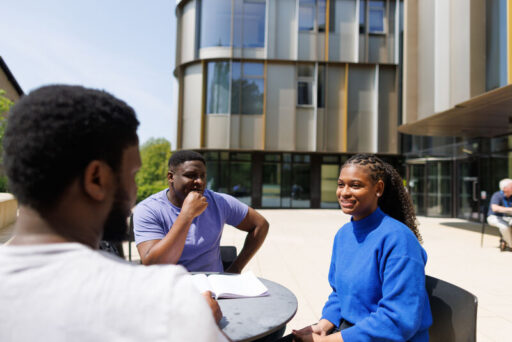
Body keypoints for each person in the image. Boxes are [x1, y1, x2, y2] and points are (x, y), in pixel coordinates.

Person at [0, 85, 228, 341]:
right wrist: (203, 322)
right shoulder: (165, 299)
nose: (135, 189)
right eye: (131, 175)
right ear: (96, 179)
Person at [291, 154, 432, 342]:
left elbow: (398, 320)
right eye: (341, 184)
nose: (345, 192)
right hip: (351, 332)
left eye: (355, 185)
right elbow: (339, 293)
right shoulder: (344, 234)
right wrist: (323, 325)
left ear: (378, 189)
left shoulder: (399, 240)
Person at [133, 150, 269, 272]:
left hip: (214, 289)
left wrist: (235, 269)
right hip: (171, 290)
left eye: (203, 176)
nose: (199, 181)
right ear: (171, 177)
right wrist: (187, 215)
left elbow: (260, 225)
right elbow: (153, 265)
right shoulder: (148, 210)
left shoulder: (219, 202)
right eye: (191, 175)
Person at [486, 178, 512, 251]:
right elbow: (495, 208)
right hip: (494, 217)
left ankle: (504, 239)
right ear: (505, 188)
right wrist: (509, 209)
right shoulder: (497, 195)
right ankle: (511, 245)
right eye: (511, 186)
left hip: (508, 217)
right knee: (504, 227)